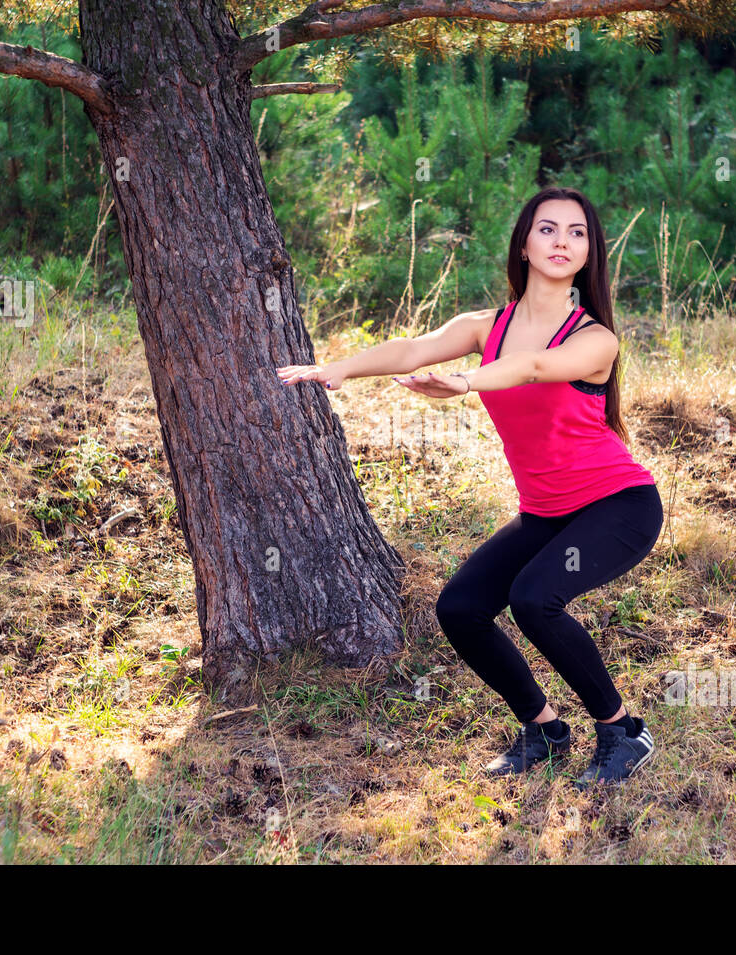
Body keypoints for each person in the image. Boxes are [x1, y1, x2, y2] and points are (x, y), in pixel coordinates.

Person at [276, 186, 664, 790]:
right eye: (548, 230)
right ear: (524, 244)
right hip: (545, 513)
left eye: (577, 233)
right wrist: (341, 368)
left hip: (617, 505)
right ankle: (544, 729)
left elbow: (535, 368)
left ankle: (621, 730)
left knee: (536, 598)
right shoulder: (487, 326)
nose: (562, 242)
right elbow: (414, 347)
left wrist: (465, 381)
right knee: (460, 608)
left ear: (590, 253)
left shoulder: (595, 339)